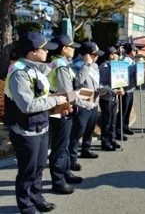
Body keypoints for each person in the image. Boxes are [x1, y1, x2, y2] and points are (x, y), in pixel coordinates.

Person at [4, 32, 68, 214]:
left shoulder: (34, 69)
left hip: (40, 127)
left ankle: (37, 197)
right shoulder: (19, 73)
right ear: (32, 52)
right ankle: (26, 205)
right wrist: (57, 101)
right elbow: (28, 105)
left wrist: (58, 99)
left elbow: (43, 97)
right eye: (44, 49)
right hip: (25, 131)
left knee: (39, 167)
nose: (48, 53)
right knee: (27, 171)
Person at [47, 35, 83, 195]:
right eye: (71, 46)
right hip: (61, 109)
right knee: (60, 147)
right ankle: (58, 180)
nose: (74, 49)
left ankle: (66, 172)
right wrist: (88, 97)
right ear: (64, 48)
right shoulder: (60, 66)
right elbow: (68, 93)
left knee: (64, 144)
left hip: (63, 108)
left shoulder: (61, 63)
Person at [69, 42, 105, 171]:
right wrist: (86, 65)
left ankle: (86, 149)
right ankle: (72, 158)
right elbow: (77, 84)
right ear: (86, 55)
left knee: (89, 129)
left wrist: (100, 90)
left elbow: (95, 84)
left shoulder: (95, 66)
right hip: (81, 104)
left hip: (93, 102)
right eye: (94, 55)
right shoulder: (74, 66)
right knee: (77, 133)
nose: (97, 58)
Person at [99, 46, 125, 151]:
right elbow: (102, 85)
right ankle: (105, 142)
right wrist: (115, 91)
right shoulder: (104, 67)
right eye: (116, 53)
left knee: (113, 121)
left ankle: (112, 139)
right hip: (107, 98)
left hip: (114, 99)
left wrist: (121, 86)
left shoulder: (116, 66)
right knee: (107, 122)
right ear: (111, 55)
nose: (118, 55)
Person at [116, 43, 137, 138]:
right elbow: (125, 74)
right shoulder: (125, 61)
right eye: (134, 50)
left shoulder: (132, 60)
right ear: (130, 51)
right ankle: (119, 130)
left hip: (131, 90)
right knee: (123, 111)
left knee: (128, 110)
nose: (135, 51)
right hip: (125, 90)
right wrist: (135, 67)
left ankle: (125, 126)